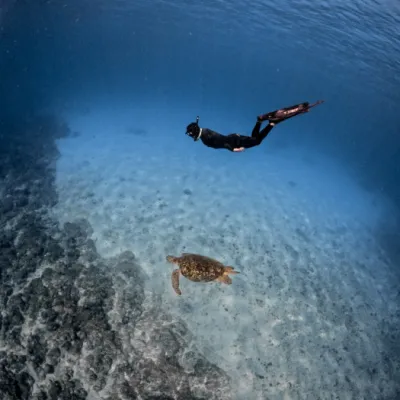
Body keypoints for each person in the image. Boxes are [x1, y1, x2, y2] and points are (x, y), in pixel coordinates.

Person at [185, 100, 324, 152]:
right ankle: (259, 121)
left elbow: (220, 142)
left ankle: (271, 124)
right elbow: (219, 140)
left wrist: (233, 150)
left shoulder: (205, 138)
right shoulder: (205, 131)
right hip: (234, 137)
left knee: (257, 141)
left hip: (235, 142)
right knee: (254, 138)